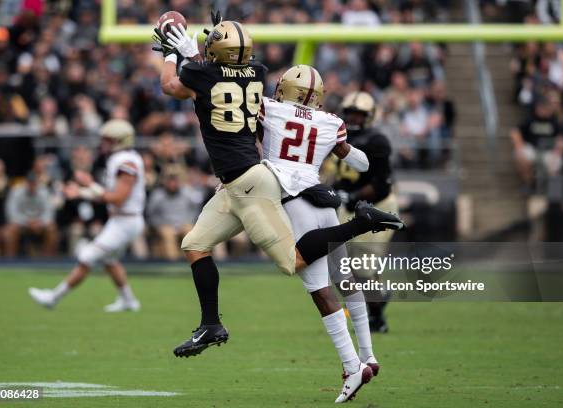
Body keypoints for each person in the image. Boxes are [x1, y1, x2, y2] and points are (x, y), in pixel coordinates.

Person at [152, 16, 403, 358]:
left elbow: (173, 86)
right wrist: (195, 55)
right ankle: (211, 324)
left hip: (254, 182)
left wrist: (174, 53)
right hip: (238, 183)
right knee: (194, 243)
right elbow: (217, 76)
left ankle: (362, 222)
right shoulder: (257, 72)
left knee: (292, 262)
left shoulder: (237, 89)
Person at [259, 65, 398, 403]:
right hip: (325, 201)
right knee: (345, 279)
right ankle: (369, 354)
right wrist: (344, 149)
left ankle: (353, 366)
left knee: (320, 288)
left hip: (295, 203)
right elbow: (363, 164)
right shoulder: (331, 122)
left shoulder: (268, 108)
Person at [28, 119, 145, 312]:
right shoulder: (121, 159)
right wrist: (82, 192)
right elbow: (109, 196)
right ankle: (128, 300)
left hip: (126, 221)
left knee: (87, 256)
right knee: (109, 260)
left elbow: (117, 199)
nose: (103, 143)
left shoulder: (126, 162)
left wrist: (88, 185)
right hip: (121, 219)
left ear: (119, 141)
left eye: (108, 140)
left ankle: (52, 298)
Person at [334, 91, 399, 333]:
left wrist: (353, 196)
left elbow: (381, 184)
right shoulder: (334, 134)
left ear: (369, 117)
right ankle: (375, 304)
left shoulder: (377, 141)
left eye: (359, 115)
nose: (353, 119)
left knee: (361, 267)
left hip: (377, 209)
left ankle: (375, 314)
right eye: (350, 113)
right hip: (348, 206)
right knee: (341, 265)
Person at [4, 172, 58, 257]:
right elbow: (11, 212)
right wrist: (27, 221)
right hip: (22, 223)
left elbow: (49, 212)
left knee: (52, 228)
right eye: (30, 183)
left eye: (34, 183)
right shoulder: (16, 191)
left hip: (39, 223)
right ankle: (11, 260)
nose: (32, 185)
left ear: (37, 183)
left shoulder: (44, 192)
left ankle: (48, 261)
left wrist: (39, 222)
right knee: (10, 230)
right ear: (25, 182)